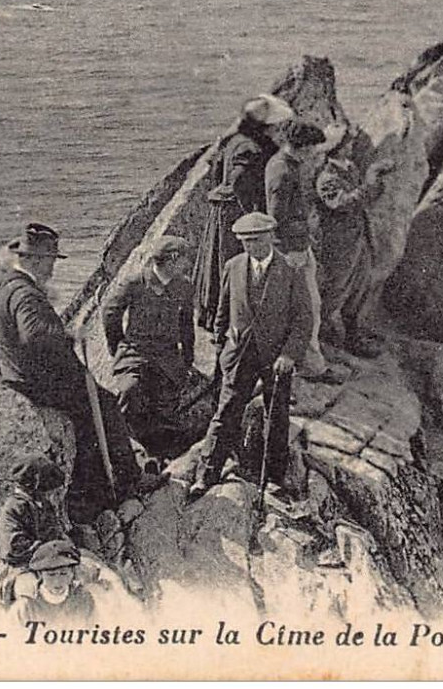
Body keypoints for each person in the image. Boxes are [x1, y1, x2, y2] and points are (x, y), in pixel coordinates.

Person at [0, 222, 161, 519]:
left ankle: (96, 490)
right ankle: (127, 482)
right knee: (105, 406)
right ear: (37, 260)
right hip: (39, 383)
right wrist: (70, 337)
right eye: (51, 261)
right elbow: (35, 335)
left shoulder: (0, 286)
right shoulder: (25, 293)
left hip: (16, 375)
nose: (52, 269)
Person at [188, 212, 312, 500]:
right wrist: (221, 349)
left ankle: (273, 479)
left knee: (276, 417)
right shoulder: (233, 266)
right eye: (245, 242)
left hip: (277, 359)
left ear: (270, 237)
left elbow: (303, 319)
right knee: (226, 412)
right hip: (239, 355)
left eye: (255, 241)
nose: (250, 247)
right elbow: (222, 312)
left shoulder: (291, 271)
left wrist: (290, 355)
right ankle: (206, 475)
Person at [192, 93, 294, 328]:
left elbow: (216, 171)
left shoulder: (235, 140)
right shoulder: (249, 148)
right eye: (274, 126)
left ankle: (218, 315)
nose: (278, 129)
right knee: (231, 263)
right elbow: (239, 182)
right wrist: (252, 214)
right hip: (235, 214)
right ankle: (228, 319)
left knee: (220, 265)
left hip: (225, 210)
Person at [100, 235, 197, 461]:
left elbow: (186, 323)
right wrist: (117, 346)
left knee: (166, 403)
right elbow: (110, 312)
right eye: (184, 259)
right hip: (136, 352)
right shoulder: (135, 282)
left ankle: (164, 455)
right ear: (173, 259)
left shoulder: (183, 286)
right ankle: (130, 452)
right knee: (129, 391)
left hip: (167, 355)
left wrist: (187, 358)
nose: (188, 264)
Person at [264, 117, 344, 383]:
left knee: (306, 307)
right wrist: (292, 252)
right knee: (308, 308)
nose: (314, 154)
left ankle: (306, 361)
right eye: (311, 148)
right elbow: (276, 218)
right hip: (291, 250)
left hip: (297, 245)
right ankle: (312, 366)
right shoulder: (283, 173)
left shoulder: (283, 164)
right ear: (302, 147)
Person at [313, 126, 392, 357]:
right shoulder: (326, 178)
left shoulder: (350, 168)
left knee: (359, 286)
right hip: (339, 244)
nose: (351, 147)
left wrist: (376, 183)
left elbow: (367, 198)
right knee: (337, 288)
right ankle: (317, 338)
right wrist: (370, 180)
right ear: (336, 148)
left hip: (359, 238)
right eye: (347, 144)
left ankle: (352, 334)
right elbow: (342, 203)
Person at [0, 454, 71, 570]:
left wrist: (64, 543)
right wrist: (54, 548)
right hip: (20, 567)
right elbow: (13, 550)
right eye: (45, 489)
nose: (49, 493)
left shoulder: (44, 505)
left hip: (51, 562)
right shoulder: (13, 507)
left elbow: (55, 533)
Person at [13, 539, 96, 624]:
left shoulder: (83, 599)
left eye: (64, 574)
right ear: (40, 575)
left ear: (72, 573)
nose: (57, 581)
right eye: (51, 575)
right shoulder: (27, 605)